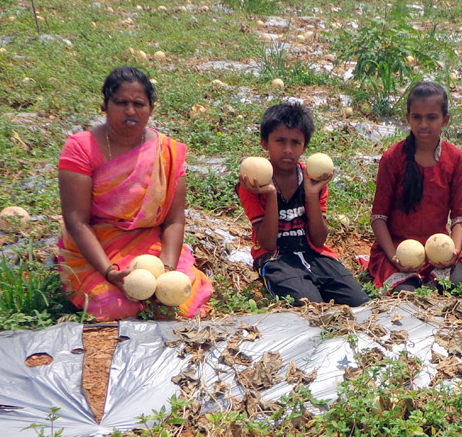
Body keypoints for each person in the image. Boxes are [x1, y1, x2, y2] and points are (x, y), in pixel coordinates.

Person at [57, 66, 212, 321]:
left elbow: (174, 220)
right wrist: (110, 273)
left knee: (176, 301)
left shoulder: (167, 151)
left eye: (138, 104)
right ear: (105, 105)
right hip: (98, 247)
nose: (130, 111)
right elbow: (77, 221)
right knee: (119, 306)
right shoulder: (81, 148)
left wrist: (166, 268)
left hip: (151, 244)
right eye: (121, 103)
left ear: (150, 108)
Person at [236, 102, 368, 306]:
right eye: (279, 141)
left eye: (296, 143)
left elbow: (318, 238)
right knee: (310, 306)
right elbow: (268, 244)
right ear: (265, 143)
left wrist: (312, 195)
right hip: (275, 258)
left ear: (305, 146)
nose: (287, 150)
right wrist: (271, 195)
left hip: (314, 253)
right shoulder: (254, 182)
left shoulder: (313, 176)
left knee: (358, 302)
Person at [369, 81, 462, 293]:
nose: (424, 124)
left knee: (460, 288)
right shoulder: (393, 158)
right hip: (398, 247)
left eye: (432, 117)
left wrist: (454, 250)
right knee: (406, 293)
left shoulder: (455, 158)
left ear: (445, 120)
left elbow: (460, 215)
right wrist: (393, 255)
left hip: (438, 247)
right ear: (408, 119)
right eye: (417, 117)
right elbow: (379, 217)